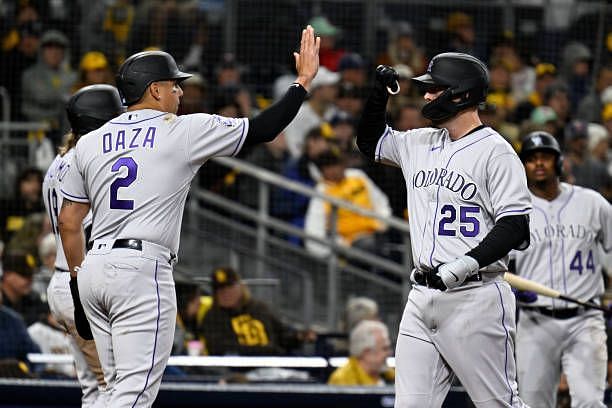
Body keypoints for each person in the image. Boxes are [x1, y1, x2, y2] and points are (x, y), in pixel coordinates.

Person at [58, 26, 320, 407]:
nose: (181, 92)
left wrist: (79, 287)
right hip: (140, 269)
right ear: (155, 90)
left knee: (110, 390)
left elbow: (69, 219)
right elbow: (264, 129)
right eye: (174, 85)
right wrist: (301, 83)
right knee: (135, 391)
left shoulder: (91, 141)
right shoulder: (180, 130)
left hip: (94, 267)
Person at [356, 53, 532, 407]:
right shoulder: (419, 142)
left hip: (476, 297)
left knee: (499, 405)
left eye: (434, 89)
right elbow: (370, 142)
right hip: (421, 296)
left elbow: (515, 226)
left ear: (461, 94)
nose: (426, 96)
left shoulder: (496, 152)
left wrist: (465, 263)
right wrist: (379, 96)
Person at [514, 131, 611, 408]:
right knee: (533, 403)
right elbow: (497, 267)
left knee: (590, 402)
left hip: (585, 318)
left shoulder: (591, 203)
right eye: (532, 159)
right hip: (535, 322)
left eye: (545, 156)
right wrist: (512, 291)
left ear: (559, 162)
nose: (539, 163)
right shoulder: (515, 210)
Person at [43, 84, 124, 407]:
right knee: (115, 388)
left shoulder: (61, 160)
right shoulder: (90, 162)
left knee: (95, 391)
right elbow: (73, 225)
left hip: (62, 281)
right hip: (81, 282)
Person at [201, 267, 314, 356]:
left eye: (229, 287)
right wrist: (264, 351)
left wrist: (298, 337)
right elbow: (220, 349)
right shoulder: (212, 318)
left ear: (240, 287)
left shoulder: (259, 308)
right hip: (240, 372)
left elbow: (282, 334)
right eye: (220, 289)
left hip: (275, 365)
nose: (225, 293)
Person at [328, 320, 393, 386]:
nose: (390, 353)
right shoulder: (342, 380)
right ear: (367, 353)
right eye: (385, 349)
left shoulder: (389, 374)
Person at [0, 252, 47, 326]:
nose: (30, 279)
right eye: (24, 275)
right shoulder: (1, 302)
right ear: (7, 275)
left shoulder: (32, 298)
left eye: (31, 274)